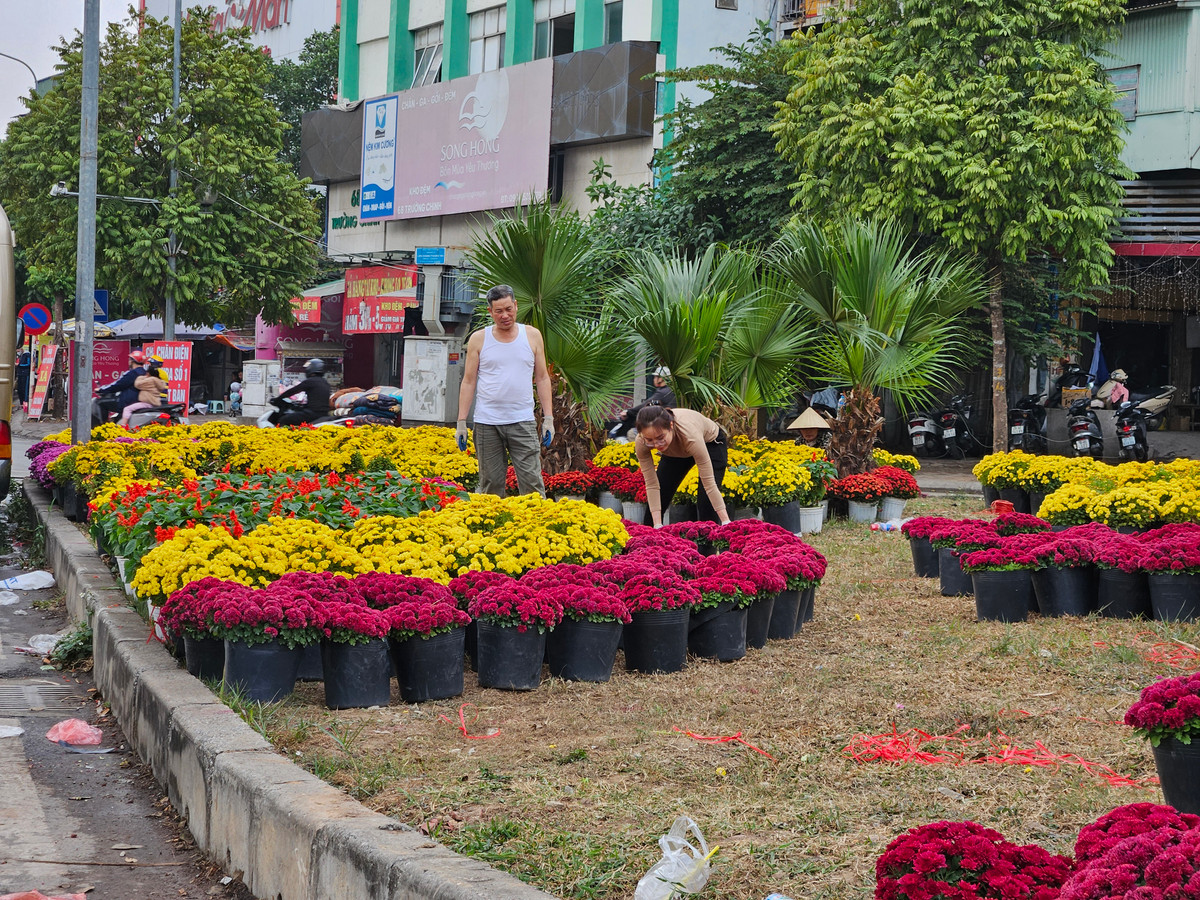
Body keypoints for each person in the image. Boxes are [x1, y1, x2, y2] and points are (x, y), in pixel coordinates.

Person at [456, 284, 554, 497]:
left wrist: (548, 418)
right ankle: (495, 528)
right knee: (490, 484)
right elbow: (469, 381)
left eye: (509, 309)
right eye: (499, 311)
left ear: (516, 306)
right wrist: (462, 422)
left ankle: (535, 527)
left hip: (522, 420)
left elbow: (543, 377)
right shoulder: (479, 339)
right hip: (487, 423)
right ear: (490, 311)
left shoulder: (532, 335)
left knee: (532, 483)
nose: (505, 315)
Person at [634, 405, 731, 527]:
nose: (656, 444)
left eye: (660, 438)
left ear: (671, 425)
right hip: (675, 449)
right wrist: (657, 526)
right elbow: (652, 484)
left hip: (710, 444)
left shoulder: (690, 436)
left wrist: (726, 522)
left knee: (706, 501)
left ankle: (708, 544)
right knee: (660, 494)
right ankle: (648, 540)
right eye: (650, 440)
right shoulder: (641, 441)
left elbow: (710, 484)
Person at [610, 366, 676, 440]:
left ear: (660, 378)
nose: (654, 380)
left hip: (662, 425)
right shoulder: (672, 390)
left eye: (655, 377)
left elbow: (645, 405)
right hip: (670, 425)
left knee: (632, 433)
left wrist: (629, 412)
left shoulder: (663, 392)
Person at [272, 358, 331, 426]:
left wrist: (278, 399)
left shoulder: (311, 381)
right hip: (323, 413)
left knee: (283, 420)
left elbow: (293, 391)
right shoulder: (324, 382)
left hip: (313, 413)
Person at [119, 355, 169, 426]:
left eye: (150, 363)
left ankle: (123, 426)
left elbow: (138, 384)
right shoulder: (163, 374)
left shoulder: (152, 378)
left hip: (150, 400)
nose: (149, 365)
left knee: (127, 409)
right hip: (160, 399)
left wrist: (143, 377)